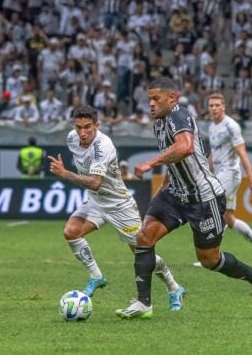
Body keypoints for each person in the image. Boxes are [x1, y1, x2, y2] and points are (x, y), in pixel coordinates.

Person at [116, 77, 252, 319]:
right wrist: (164, 185)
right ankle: (143, 303)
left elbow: (185, 147)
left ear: (172, 98)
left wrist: (150, 163)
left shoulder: (180, 115)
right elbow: (175, 159)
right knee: (143, 238)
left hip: (204, 199)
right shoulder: (159, 123)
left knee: (209, 260)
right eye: (150, 100)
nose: (151, 105)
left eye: (156, 99)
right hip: (175, 194)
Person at [48, 106, 185, 311]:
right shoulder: (71, 139)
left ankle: (174, 287)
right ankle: (97, 276)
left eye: (87, 127)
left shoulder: (104, 146)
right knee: (71, 232)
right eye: (78, 127)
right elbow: (93, 185)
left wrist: (65, 174)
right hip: (96, 202)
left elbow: (95, 182)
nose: (82, 133)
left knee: (142, 254)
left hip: (119, 205)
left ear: (97, 125)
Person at [199, 93, 252, 265]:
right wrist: (204, 171)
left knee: (211, 208)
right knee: (228, 218)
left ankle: (211, 253)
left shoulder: (231, 126)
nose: (214, 108)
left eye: (217, 105)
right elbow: (213, 154)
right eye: (211, 106)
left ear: (224, 106)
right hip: (220, 174)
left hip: (230, 174)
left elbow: (242, 153)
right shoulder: (212, 127)